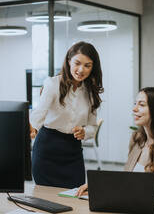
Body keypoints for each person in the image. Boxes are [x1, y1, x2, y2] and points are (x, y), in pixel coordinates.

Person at [77, 87, 154, 205]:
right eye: (135, 103)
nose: (134, 109)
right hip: (132, 206)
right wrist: (100, 187)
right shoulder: (137, 139)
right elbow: (128, 181)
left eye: (141, 105)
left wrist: (136, 194)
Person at [30, 41, 104, 189]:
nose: (81, 70)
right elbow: (38, 116)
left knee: (75, 197)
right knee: (46, 198)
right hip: (47, 148)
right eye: (77, 63)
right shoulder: (52, 84)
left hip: (73, 151)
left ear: (93, 67)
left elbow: (93, 126)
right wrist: (31, 129)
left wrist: (85, 131)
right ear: (69, 61)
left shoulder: (91, 92)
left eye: (87, 65)